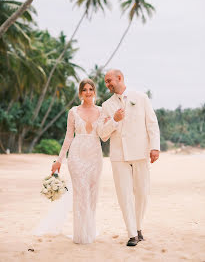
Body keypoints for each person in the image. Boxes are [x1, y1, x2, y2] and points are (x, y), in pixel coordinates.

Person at [97, 69, 160, 246]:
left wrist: (155, 147)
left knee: (142, 193)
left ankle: (138, 227)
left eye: (109, 80)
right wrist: (114, 120)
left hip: (141, 152)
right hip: (119, 155)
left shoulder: (141, 97)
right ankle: (132, 233)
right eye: (106, 82)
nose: (107, 84)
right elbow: (102, 134)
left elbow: (152, 123)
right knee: (124, 195)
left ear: (120, 78)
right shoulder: (106, 105)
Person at [48, 78, 103, 244]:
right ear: (80, 93)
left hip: (95, 156)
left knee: (92, 195)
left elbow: (105, 133)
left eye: (90, 89)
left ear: (94, 92)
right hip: (77, 156)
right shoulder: (73, 111)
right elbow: (68, 137)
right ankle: (80, 236)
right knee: (80, 194)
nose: (88, 92)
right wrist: (59, 160)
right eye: (84, 89)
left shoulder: (102, 111)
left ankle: (90, 232)